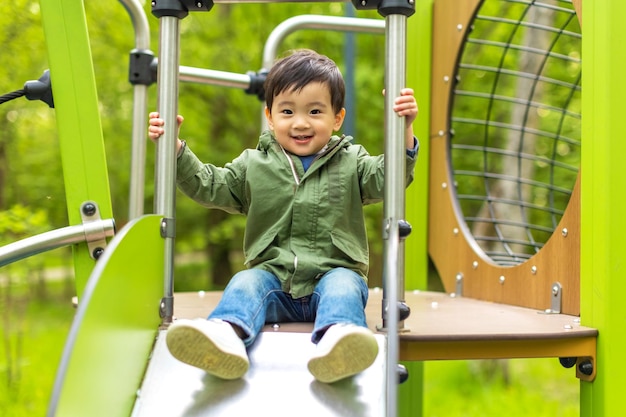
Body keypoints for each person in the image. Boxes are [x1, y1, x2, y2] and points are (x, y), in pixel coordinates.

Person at [148, 49, 418, 384]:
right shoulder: (254, 164)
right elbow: (210, 186)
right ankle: (225, 337)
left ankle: (340, 343)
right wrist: (175, 149)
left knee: (345, 289)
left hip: (333, 272)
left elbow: (388, 178)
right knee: (244, 284)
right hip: (273, 278)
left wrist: (403, 132)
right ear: (270, 116)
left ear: (337, 118)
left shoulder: (351, 161)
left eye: (315, 111)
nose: (301, 122)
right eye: (287, 111)